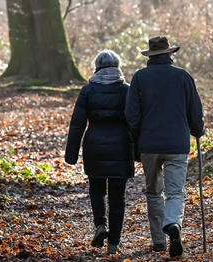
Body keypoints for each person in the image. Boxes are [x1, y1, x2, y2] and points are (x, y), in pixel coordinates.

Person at [125, 36, 205, 258]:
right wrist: (198, 130)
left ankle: (159, 241)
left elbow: (131, 115)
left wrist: (138, 137)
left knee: (153, 192)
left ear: (150, 56)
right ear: (169, 54)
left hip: (149, 145)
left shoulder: (140, 78)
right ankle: (173, 224)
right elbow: (195, 112)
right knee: (175, 192)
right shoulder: (183, 77)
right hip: (177, 145)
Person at [65, 50, 134, 255]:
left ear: (97, 67)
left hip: (94, 145)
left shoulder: (88, 90)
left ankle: (100, 225)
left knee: (96, 189)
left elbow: (77, 124)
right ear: (118, 67)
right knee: (117, 197)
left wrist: (71, 154)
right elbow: (135, 121)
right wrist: (138, 151)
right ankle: (114, 243)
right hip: (121, 146)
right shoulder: (126, 90)